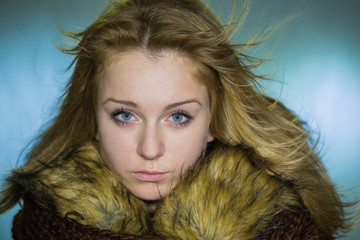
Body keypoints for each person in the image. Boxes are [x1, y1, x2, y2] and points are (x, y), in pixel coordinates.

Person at [0, 0, 356, 239]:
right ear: (93, 118)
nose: (150, 149)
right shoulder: (36, 227)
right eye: (125, 115)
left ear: (214, 122)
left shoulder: (288, 230)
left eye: (178, 116)